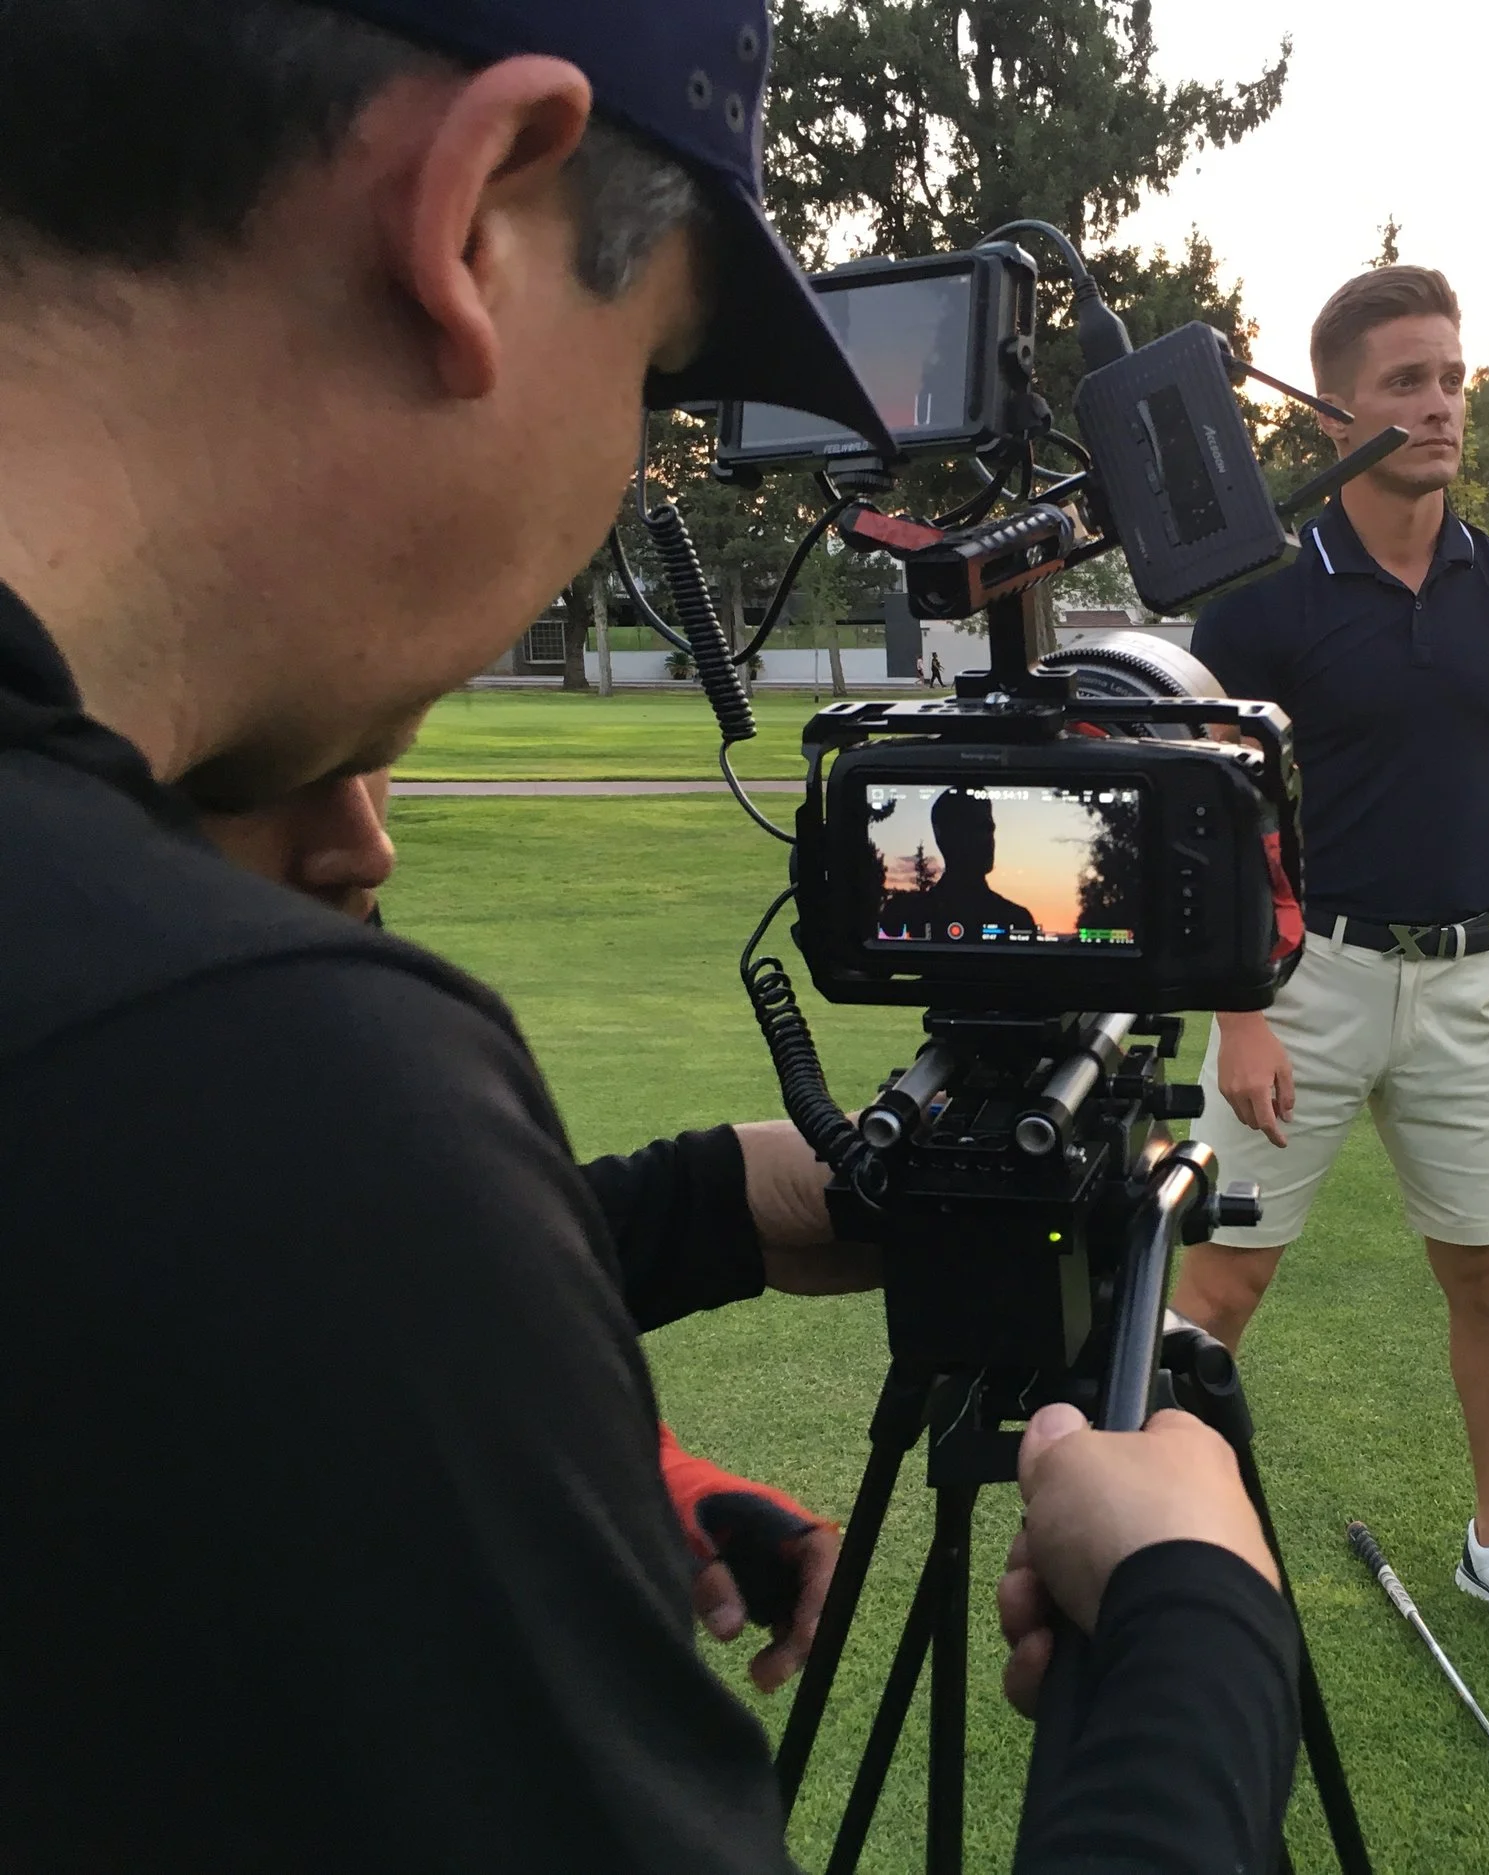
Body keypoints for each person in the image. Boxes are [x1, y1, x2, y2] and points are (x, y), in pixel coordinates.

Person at [0, 4, 1295, 1868]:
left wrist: (687, 1218)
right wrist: (1196, 1632)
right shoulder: (239, 1079)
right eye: (658, 365)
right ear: (475, 216)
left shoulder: (167, 1104)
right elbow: (221, 1198)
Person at [1175, 265, 1489, 1667]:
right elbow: (1214, 818)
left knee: (1488, 1274)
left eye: (1451, 378)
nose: (1438, 405)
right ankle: (1151, 1541)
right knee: (1219, 1291)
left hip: (1467, 986)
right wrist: (1240, 1009)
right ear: (1335, 414)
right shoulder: (1259, 605)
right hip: (1301, 986)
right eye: (1405, 382)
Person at [199, 762, 848, 1691]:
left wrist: (646, 1477)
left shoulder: (277, 985)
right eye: (247, 778)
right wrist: (1141, 1599)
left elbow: (392, 1271)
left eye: (376, 753)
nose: (367, 846)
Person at [879, 786, 1038, 938]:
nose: (986, 838)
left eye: (988, 828)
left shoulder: (1017, 920)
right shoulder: (903, 914)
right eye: (972, 828)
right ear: (943, 836)